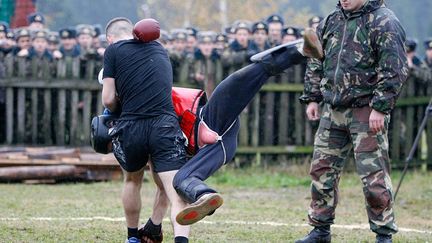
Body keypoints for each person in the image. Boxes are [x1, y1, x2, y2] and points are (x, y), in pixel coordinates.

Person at [296, 0, 408, 243]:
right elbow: (316, 59)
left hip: (366, 112)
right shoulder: (330, 21)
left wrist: (380, 107)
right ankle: (320, 230)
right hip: (332, 111)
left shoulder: (384, 21)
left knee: (373, 176)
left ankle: (383, 234)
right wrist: (312, 98)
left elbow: (394, 68)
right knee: (321, 172)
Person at [101, 17, 190, 243]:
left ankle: (133, 237)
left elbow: (108, 99)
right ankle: (177, 238)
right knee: (174, 189)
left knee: (132, 181)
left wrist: (118, 106)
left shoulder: (112, 52)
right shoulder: (160, 49)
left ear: (110, 38)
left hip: (132, 126)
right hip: (164, 125)